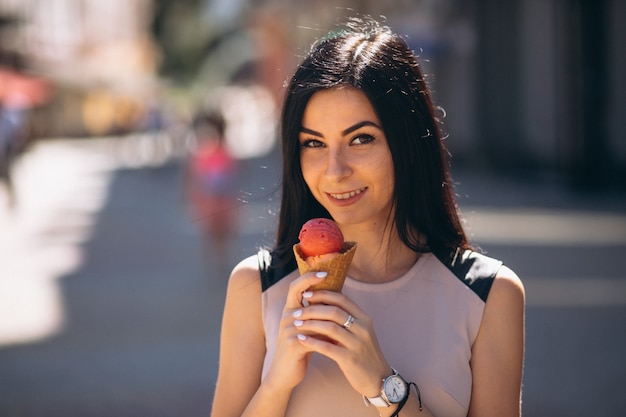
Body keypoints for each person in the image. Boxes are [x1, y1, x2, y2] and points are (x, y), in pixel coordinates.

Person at [211, 17, 525, 417]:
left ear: (408, 141)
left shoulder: (489, 294)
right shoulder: (256, 287)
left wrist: (384, 387)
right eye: (314, 143)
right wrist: (277, 384)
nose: (335, 170)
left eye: (361, 139)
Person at [185, 110, 238, 268]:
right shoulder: (202, 154)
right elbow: (195, 179)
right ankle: (215, 261)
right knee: (211, 233)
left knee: (221, 232)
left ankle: (220, 260)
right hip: (209, 200)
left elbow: (233, 174)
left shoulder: (221, 153)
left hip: (221, 200)